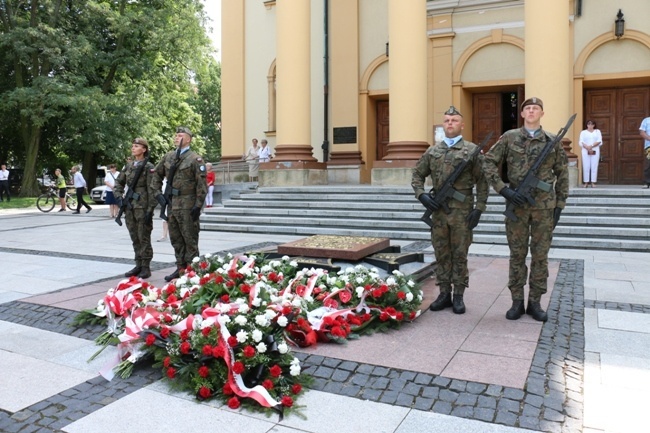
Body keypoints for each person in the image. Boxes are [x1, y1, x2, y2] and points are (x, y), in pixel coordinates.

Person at [483, 97, 569, 322]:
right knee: (517, 255)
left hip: (543, 207)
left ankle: (535, 303)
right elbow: (488, 162)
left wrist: (560, 204)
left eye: (535, 108)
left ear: (542, 113)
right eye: (527, 108)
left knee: (540, 257)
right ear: (522, 114)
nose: (531, 111)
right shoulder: (510, 137)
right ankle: (517, 302)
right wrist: (503, 190)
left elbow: (562, 173)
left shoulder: (552, 140)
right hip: (517, 206)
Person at [411, 106, 488, 315]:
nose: (450, 123)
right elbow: (417, 175)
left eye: (454, 120)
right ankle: (444, 293)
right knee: (442, 254)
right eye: (447, 120)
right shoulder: (433, 151)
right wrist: (423, 196)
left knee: (460, 254)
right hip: (438, 214)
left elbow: (483, 181)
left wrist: (479, 209)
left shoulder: (471, 151)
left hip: (462, 213)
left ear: (462, 125)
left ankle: (459, 296)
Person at [152, 126, 207, 282]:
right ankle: (180, 268)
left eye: (180, 135)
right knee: (175, 239)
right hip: (172, 204)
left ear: (188, 139)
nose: (176, 137)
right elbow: (155, 175)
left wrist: (198, 205)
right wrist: (158, 195)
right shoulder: (168, 157)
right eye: (175, 135)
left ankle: (193, 272)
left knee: (190, 239)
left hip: (188, 205)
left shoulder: (195, 159)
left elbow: (202, 185)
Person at [113, 138, 157, 279]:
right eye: (132, 146)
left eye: (136, 146)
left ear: (144, 149)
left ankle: (145, 267)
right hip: (130, 207)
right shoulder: (128, 166)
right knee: (134, 237)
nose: (133, 148)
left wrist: (150, 209)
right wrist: (119, 197)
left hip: (142, 207)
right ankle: (138, 264)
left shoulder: (148, 166)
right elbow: (118, 183)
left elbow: (152, 189)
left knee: (143, 237)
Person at [579, 120, 602, 188]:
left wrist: (591, 146)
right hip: (585, 151)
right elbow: (581, 141)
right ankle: (586, 182)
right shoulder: (583, 132)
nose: (590, 125)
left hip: (595, 150)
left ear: (594, 125)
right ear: (586, 125)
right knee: (586, 166)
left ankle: (593, 182)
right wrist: (587, 147)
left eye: (592, 124)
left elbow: (599, 141)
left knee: (594, 166)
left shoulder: (597, 131)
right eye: (589, 124)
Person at [157, 178, 169, 242]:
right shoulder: (163, 180)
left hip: (170, 201)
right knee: (164, 218)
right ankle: (164, 235)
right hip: (164, 201)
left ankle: (165, 235)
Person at [640, 115, 650, 188]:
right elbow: (642, 132)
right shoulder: (646, 120)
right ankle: (647, 182)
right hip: (649, 146)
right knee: (648, 164)